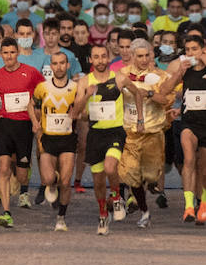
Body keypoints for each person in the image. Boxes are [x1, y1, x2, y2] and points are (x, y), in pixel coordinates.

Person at [159, 34, 206, 224]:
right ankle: (188, 206)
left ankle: (204, 199)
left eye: (194, 49)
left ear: (203, 49)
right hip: (189, 123)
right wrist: (180, 72)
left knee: (205, 170)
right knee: (188, 159)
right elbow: (164, 90)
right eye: (187, 50)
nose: (190, 53)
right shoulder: (182, 67)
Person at [0, 37, 44, 228]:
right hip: (4, 125)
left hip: (24, 126)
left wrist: (40, 113)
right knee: (3, 166)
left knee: (23, 175)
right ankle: (6, 212)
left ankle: (21, 181)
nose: (9, 56)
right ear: (1, 54)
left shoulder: (31, 73)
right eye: (5, 53)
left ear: (17, 53)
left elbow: (43, 91)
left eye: (12, 52)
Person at [117, 39, 170, 229]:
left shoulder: (160, 75)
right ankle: (144, 210)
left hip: (153, 132)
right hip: (129, 132)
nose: (144, 59)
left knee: (150, 175)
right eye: (140, 56)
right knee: (130, 173)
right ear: (131, 56)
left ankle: (140, 197)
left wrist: (148, 94)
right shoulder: (121, 74)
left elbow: (165, 99)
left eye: (147, 55)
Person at [74, 41, 125, 235]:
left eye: (103, 56)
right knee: (97, 182)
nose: (100, 60)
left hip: (114, 131)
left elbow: (135, 94)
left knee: (110, 167)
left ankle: (117, 198)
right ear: (90, 59)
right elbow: (76, 112)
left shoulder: (118, 78)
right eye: (96, 57)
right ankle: (103, 214)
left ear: (109, 58)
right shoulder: (84, 82)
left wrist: (139, 118)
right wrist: (86, 96)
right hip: (95, 134)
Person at [30, 51, 78, 231]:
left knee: (66, 183)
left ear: (67, 65)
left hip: (68, 139)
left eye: (62, 63)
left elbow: (83, 110)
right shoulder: (42, 87)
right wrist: (35, 122)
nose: (59, 67)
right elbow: (31, 105)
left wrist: (78, 113)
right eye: (55, 63)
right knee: (48, 178)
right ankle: (52, 183)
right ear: (51, 67)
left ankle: (61, 218)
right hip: (47, 139)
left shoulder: (75, 88)